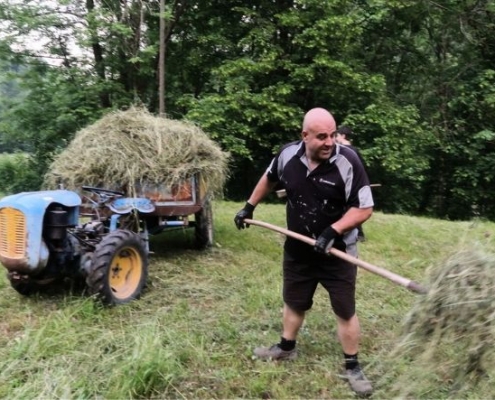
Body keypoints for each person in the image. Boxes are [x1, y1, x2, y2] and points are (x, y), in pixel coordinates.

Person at [234, 108, 374, 396]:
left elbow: (364, 208)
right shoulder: (287, 156)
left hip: (337, 253)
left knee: (345, 309)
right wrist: (250, 206)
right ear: (304, 136)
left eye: (333, 135)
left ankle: (352, 365)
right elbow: (269, 177)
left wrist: (333, 231)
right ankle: (286, 348)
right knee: (294, 301)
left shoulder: (348, 161)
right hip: (298, 248)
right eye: (322, 136)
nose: (329, 142)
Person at [335, 125, 367, 242]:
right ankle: (359, 234)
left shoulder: (342, 150)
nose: (335, 138)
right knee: (353, 208)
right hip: (352, 185)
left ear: (343, 136)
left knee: (349, 209)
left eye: (337, 135)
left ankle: (356, 234)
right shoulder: (355, 151)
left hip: (346, 185)